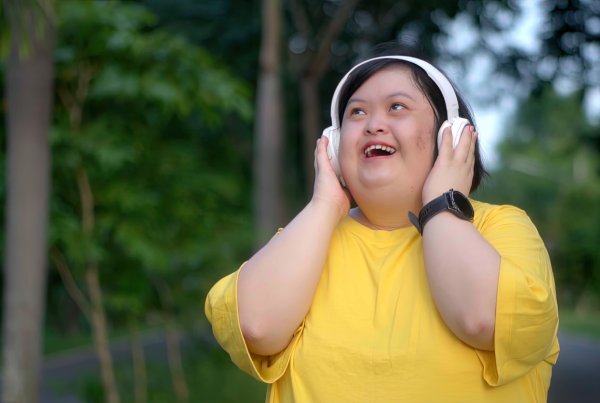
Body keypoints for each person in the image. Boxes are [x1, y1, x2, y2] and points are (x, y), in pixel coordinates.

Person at [205, 43, 560, 402]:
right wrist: (326, 203)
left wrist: (442, 201)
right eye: (357, 113)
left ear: (448, 135)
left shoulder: (501, 228)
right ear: (334, 145)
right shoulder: (310, 240)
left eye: (396, 107)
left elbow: (485, 319)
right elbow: (256, 326)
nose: (374, 124)